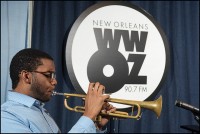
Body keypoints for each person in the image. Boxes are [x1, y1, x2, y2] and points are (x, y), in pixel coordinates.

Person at [1, 48, 116, 133]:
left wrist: (94, 125)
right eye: (48, 75)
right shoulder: (6, 117)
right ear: (26, 76)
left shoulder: (40, 111)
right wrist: (89, 116)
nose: (54, 81)